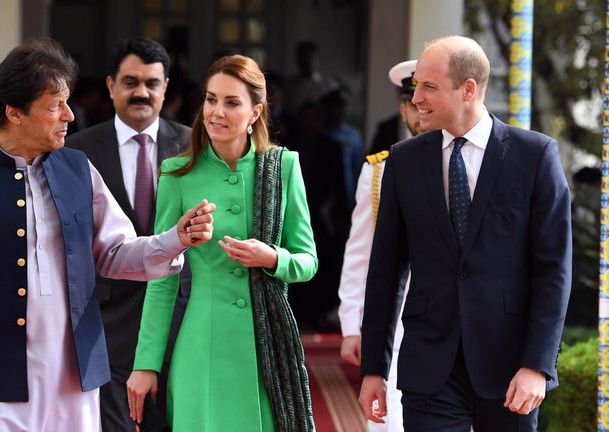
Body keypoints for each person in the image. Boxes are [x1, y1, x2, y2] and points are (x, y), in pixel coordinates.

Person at [0, 38, 216, 432]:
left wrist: (174, 239)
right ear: (14, 112)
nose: (70, 116)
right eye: (55, 106)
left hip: (72, 383)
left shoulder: (80, 169)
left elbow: (115, 253)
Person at [358, 36, 571, 431]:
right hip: (429, 367)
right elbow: (385, 270)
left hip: (510, 370)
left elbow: (553, 270)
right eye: (416, 85)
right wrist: (374, 368)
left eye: (428, 87)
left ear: (468, 89)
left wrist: (537, 365)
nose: (416, 97)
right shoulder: (403, 161)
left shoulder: (535, 156)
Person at [126, 54, 318, 431]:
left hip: (266, 354)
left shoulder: (284, 167)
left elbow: (308, 261)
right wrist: (145, 364)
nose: (217, 111)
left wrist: (272, 258)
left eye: (232, 102)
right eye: (211, 99)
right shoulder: (176, 174)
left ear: (255, 112)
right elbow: (161, 280)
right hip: (201, 348)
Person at [66, 36, 192, 431]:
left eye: (152, 83)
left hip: (178, 315)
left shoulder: (193, 146)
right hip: (108, 317)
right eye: (130, 82)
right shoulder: (77, 151)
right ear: (110, 85)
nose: (141, 93)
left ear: (166, 87)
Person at [337, 59, 424, 432]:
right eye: (414, 104)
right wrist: (351, 324)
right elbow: (360, 254)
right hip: (394, 319)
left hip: (450, 317)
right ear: (404, 109)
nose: (422, 112)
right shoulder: (380, 171)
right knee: (389, 417)